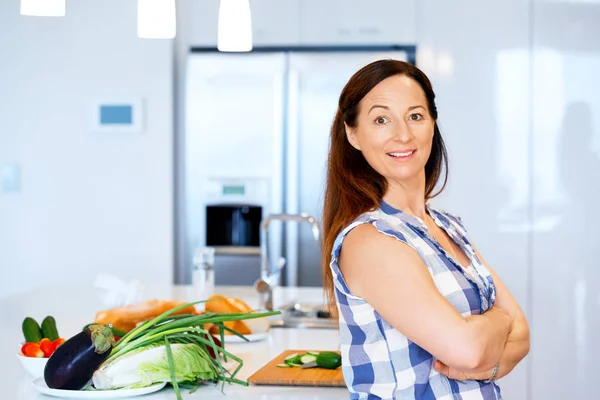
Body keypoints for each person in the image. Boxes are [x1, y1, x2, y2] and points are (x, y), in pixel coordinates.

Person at [321, 59, 530, 400]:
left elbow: (523, 336)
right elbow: (470, 350)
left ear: (432, 123)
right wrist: (500, 323)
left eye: (415, 115)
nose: (403, 134)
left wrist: (489, 349)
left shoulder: (448, 227)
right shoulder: (370, 241)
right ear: (353, 133)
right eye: (381, 119)